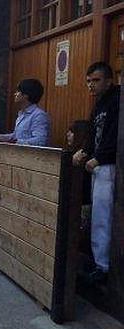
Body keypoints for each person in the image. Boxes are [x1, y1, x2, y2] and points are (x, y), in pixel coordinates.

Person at [73, 61, 120, 284]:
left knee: (103, 215)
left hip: (110, 166)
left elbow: (115, 136)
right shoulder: (99, 104)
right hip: (98, 165)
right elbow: (93, 133)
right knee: (98, 214)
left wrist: (99, 157)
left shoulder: (117, 101)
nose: (91, 85)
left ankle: (103, 267)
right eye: (89, 81)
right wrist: (84, 150)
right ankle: (99, 262)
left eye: (96, 80)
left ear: (109, 80)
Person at [0, 79, 50, 146]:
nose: (15, 94)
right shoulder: (21, 114)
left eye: (18, 91)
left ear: (26, 95)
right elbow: (16, 136)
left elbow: (40, 141)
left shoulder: (39, 115)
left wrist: (15, 142)